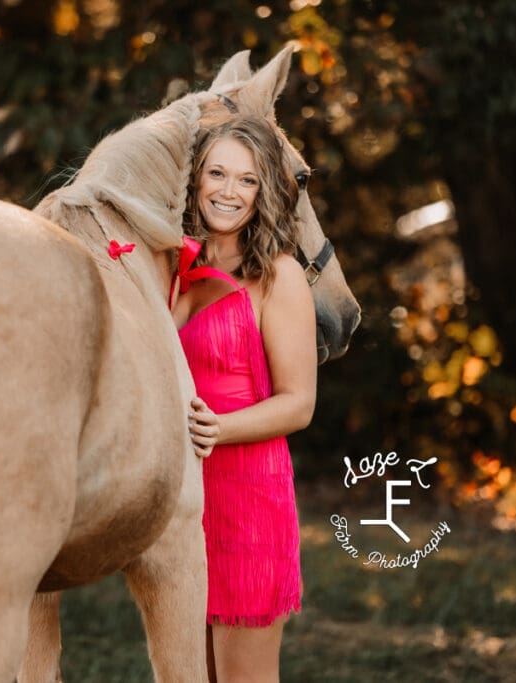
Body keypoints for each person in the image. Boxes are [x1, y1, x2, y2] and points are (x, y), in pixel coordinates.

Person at [171, 115, 318, 682]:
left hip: (249, 501)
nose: (228, 191)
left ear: (264, 194)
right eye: (217, 173)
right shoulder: (175, 269)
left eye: (248, 180)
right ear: (195, 179)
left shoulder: (278, 276)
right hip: (183, 505)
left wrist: (220, 429)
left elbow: (299, 403)